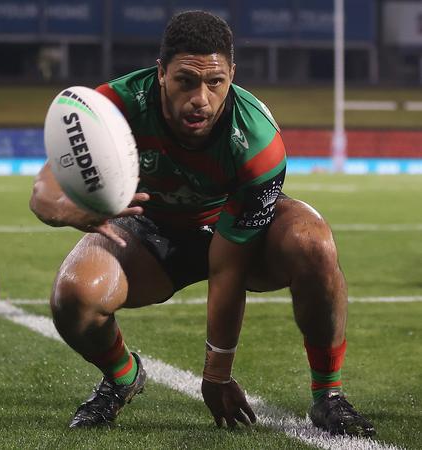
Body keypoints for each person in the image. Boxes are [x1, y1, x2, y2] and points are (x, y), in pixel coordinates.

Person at [29, 10, 375, 436]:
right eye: (185, 81)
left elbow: (227, 268)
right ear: (160, 74)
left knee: (313, 244)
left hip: (234, 227)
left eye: (216, 83)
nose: (201, 99)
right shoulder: (114, 105)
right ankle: (122, 377)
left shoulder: (257, 142)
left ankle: (328, 395)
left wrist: (217, 374)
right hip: (150, 229)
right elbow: (43, 189)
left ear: (232, 75)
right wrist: (70, 211)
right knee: (72, 296)